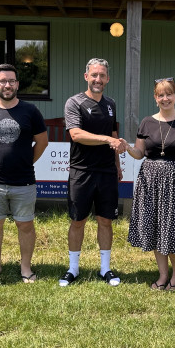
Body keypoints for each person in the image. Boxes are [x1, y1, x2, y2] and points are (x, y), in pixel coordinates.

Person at [0, 63, 49, 283]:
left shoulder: (30, 111)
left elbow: (42, 142)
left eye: (12, 81)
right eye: (3, 81)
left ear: (17, 84)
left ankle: (26, 269)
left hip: (24, 182)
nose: (8, 85)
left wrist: (27, 162)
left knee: (25, 225)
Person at [125, 77, 175, 291]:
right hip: (150, 180)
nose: (165, 98)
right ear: (155, 98)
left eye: (169, 94)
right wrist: (127, 148)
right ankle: (162, 275)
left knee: (174, 229)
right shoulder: (147, 122)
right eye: (161, 95)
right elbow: (139, 153)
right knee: (157, 228)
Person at [59, 58, 126, 287]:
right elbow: (76, 134)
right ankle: (73, 269)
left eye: (102, 75)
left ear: (107, 78)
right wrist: (107, 139)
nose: (98, 79)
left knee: (105, 221)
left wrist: (117, 163)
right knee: (78, 220)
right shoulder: (74, 102)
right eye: (94, 75)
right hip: (81, 171)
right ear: (86, 76)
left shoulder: (111, 104)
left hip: (106, 171)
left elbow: (114, 132)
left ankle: (105, 269)